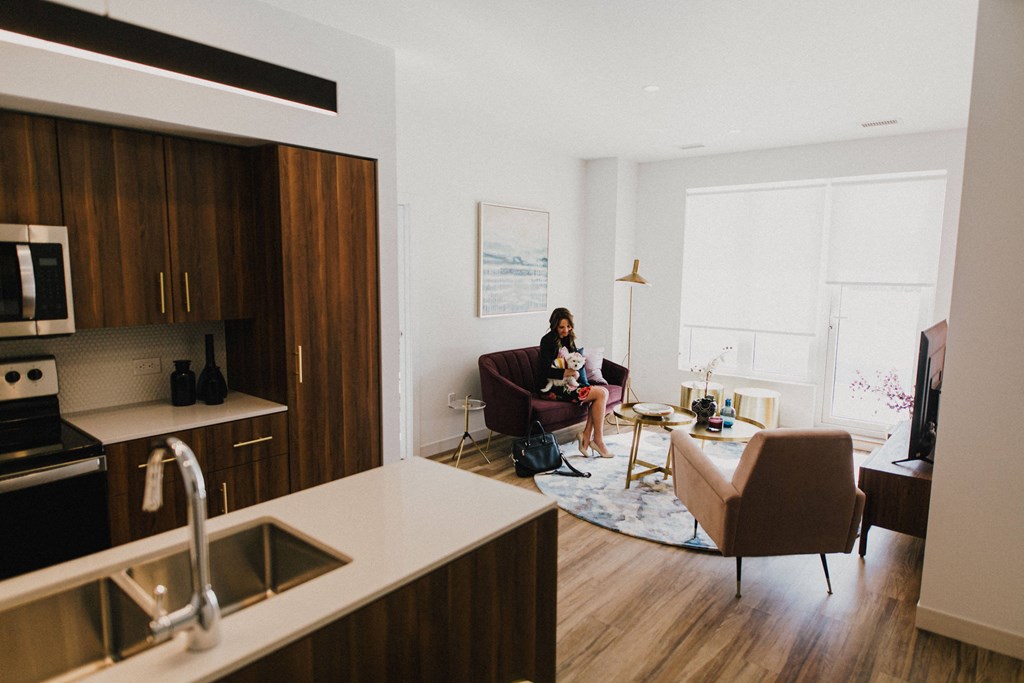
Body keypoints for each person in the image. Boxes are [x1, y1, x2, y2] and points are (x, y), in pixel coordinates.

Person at [537, 307, 612, 458]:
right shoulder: (547, 341)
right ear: (554, 326)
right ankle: (596, 440)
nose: (566, 330)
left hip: (569, 384)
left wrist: (579, 376)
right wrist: (566, 372)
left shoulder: (569, 338)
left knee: (601, 393)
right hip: (554, 388)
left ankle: (587, 437)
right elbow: (544, 371)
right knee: (601, 393)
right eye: (562, 327)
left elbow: (577, 360)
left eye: (568, 326)